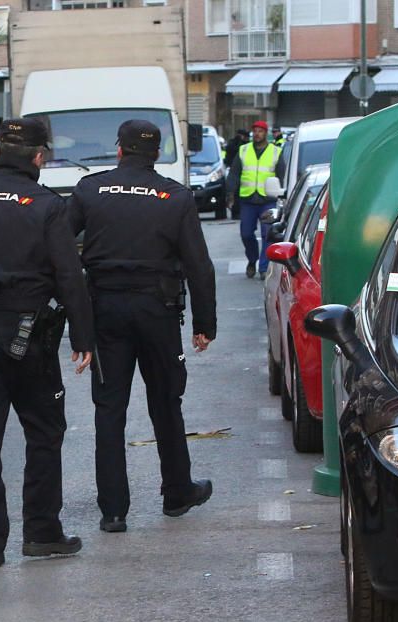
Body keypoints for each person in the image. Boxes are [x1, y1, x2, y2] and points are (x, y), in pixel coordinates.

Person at [0, 117, 93, 568]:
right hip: (31, 334)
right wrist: (83, 336)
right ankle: (42, 531)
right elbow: (69, 274)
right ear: (39, 158)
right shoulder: (47, 205)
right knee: (44, 432)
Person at [68, 119, 216, 534]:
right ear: (156, 154)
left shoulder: (90, 189)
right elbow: (198, 266)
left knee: (109, 408)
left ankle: (113, 510)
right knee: (166, 402)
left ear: (119, 149)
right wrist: (205, 323)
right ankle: (176, 493)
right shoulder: (175, 196)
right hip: (158, 310)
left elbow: (59, 244)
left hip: (106, 309)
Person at [226, 120, 285, 279]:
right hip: (248, 200)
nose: (257, 134)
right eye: (255, 131)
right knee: (246, 234)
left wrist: (282, 195)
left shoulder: (275, 151)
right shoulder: (243, 151)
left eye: (260, 131)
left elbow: (281, 175)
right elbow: (234, 173)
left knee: (268, 234)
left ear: (266, 133)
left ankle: (264, 267)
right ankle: (252, 260)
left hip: (268, 199)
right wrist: (230, 193)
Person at [223, 129, 248, 221]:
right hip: (238, 170)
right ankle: (236, 212)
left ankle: (236, 212)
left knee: (236, 193)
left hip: (236, 170)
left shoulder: (233, 143)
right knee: (236, 193)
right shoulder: (241, 145)